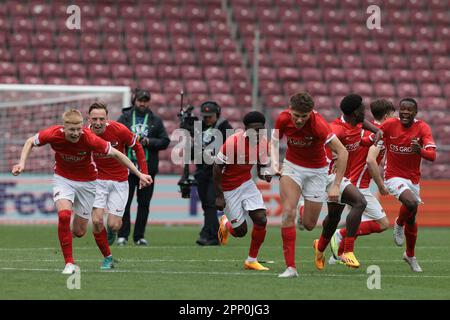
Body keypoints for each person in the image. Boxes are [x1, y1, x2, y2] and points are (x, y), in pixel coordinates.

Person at [11, 109, 152, 274]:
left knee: (79, 231)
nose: (76, 133)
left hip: (88, 183)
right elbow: (30, 142)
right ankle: (69, 263)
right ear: (64, 128)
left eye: (79, 129)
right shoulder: (52, 134)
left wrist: (140, 173)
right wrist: (22, 163)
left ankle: (98, 248)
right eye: (72, 130)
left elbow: (116, 154)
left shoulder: (89, 137)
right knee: (64, 216)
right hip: (63, 179)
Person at [270, 92, 349, 278]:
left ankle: (303, 209)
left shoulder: (319, 125)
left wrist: (336, 185)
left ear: (310, 113)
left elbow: (343, 152)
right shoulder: (283, 118)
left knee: (309, 225)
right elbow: (274, 140)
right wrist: (274, 163)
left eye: (303, 116)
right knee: (288, 212)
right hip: (292, 167)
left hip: (317, 172)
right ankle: (291, 268)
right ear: (290, 110)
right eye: (296, 115)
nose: (298, 120)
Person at [313, 94, 384, 270]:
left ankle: (320, 247)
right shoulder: (337, 129)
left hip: (341, 176)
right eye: (362, 109)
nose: (365, 112)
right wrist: (333, 157)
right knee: (359, 202)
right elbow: (323, 142)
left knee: (334, 217)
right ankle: (347, 251)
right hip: (329, 175)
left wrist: (376, 132)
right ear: (354, 113)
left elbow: (360, 130)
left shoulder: (356, 122)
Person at [327, 99, 395, 263]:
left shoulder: (367, 129)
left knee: (355, 219)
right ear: (386, 116)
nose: (395, 120)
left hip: (354, 180)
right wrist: (380, 185)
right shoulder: (378, 132)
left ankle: (337, 256)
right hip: (358, 183)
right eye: (393, 116)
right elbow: (371, 160)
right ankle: (339, 234)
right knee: (382, 223)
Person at [374, 98, 436, 272]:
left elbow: (432, 156)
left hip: (413, 179)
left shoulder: (422, 128)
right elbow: (373, 135)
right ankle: (399, 224)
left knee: (412, 215)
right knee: (411, 203)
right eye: (402, 109)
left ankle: (409, 255)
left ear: (415, 113)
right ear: (398, 111)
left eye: (409, 110)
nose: (405, 112)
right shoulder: (390, 125)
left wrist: (420, 151)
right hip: (393, 175)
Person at [88, 102, 149, 268]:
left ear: (107, 118)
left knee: (114, 225)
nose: (98, 122)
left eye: (102, 118)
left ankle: (111, 232)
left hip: (120, 180)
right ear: (89, 119)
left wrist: (144, 172)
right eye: (95, 119)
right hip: (97, 181)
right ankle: (107, 257)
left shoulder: (119, 129)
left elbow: (136, 146)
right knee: (97, 221)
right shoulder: (85, 133)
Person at [214, 111, 272, 270]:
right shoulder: (232, 143)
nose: (257, 134)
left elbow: (261, 168)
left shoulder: (263, 142)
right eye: (253, 130)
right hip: (228, 188)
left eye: (260, 130)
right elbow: (217, 168)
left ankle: (251, 260)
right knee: (241, 232)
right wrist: (219, 196)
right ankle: (226, 223)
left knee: (261, 219)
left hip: (246, 182)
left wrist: (266, 174)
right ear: (246, 129)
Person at [117, 88, 170, 246]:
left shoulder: (155, 120)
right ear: (134, 100)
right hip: (127, 168)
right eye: (140, 100)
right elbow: (116, 136)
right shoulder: (125, 117)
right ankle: (122, 235)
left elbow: (165, 141)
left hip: (147, 170)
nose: (143, 103)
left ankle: (139, 236)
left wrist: (148, 142)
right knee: (124, 203)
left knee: (144, 204)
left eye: (145, 101)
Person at [194, 101, 233, 246]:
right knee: (206, 204)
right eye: (205, 116)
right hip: (202, 171)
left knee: (211, 202)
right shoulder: (199, 128)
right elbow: (194, 152)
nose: (207, 119)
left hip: (217, 171)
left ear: (217, 114)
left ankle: (211, 235)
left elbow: (230, 149)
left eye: (210, 116)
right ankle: (211, 232)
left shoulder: (225, 128)